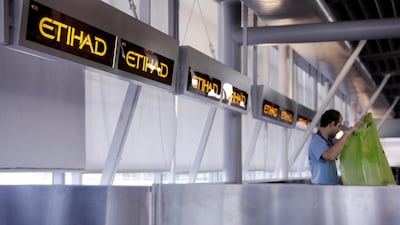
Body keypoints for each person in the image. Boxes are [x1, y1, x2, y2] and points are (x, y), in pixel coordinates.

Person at [308, 109, 363, 185]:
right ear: (331, 124)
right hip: (321, 190)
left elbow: (342, 143)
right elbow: (330, 155)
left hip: (330, 188)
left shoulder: (329, 141)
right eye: (339, 126)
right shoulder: (316, 140)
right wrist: (346, 134)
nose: (339, 130)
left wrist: (358, 125)